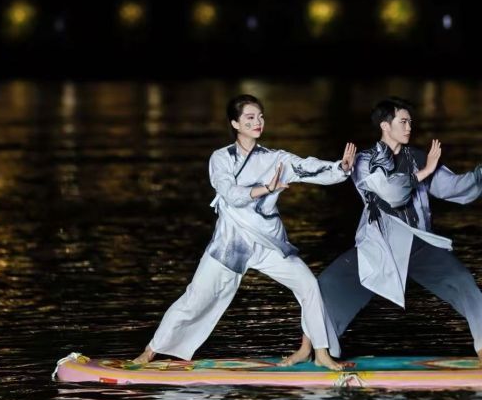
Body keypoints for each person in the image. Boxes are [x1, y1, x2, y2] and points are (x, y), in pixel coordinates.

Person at [284, 96, 482, 370]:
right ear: (385, 126)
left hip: (418, 244)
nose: (409, 127)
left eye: (410, 122)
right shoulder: (363, 161)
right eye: (403, 122)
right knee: (325, 286)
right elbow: (391, 193)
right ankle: (305, 349)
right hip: (378, 245)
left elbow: (451, 187)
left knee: (462, 281)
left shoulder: (418, 157)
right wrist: (424, 172)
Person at [134, 94, 356, 370]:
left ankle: (320, 353)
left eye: (260, 116)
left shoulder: (276, 159)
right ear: (235, 124)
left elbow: (308, 167)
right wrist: (266, 188)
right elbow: (231, 194)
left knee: (309, 285)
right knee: (195, 300)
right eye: (250, 118)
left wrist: (340, 168)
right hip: (231, 243)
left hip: (267, 242)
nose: (258, 122)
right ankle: (150, 351)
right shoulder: (220, 158)